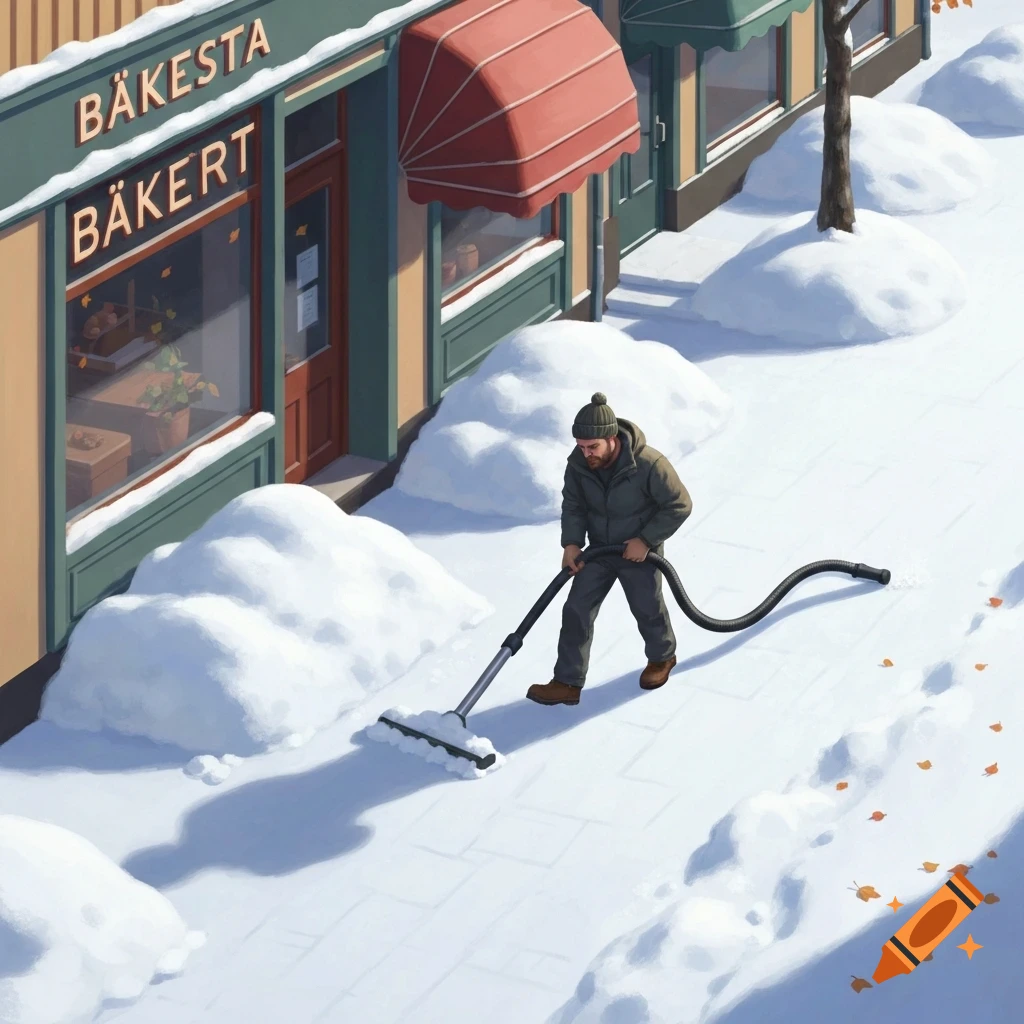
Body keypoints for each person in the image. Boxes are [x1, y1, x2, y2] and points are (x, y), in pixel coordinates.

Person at [527, 393, 693, 706]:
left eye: (593, 447)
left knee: (646, 605)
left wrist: (645, 540)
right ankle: (567, 682)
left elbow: (679, 505)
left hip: (639, 553)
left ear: (612, 438)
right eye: (581, 446)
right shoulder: (578, 466)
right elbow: (574, 505)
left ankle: (662, 657)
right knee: (576, 609)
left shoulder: (648, 464)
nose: (586, 453)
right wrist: (572, 543)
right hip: (599, 552)